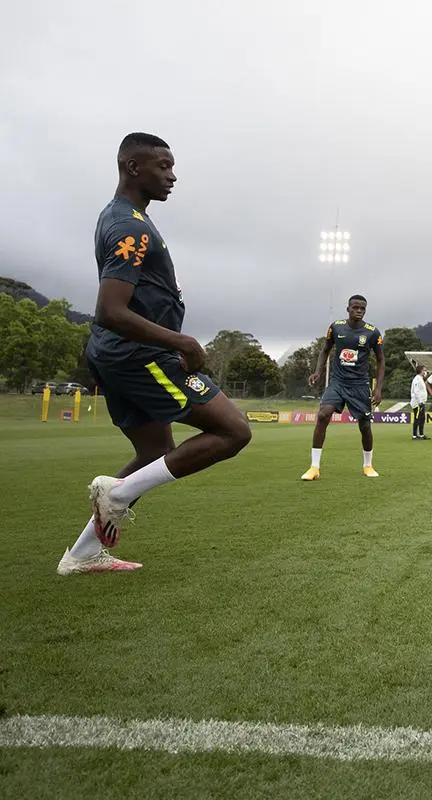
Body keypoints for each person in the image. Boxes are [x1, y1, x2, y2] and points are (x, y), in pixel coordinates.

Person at [62, 132, 252, 575]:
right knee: (234, 431)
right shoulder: (130, 226)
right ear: (133, 167)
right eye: (163, 167)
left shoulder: (121, 217)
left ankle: (82, 555)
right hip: (140, 355)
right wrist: (179, 340)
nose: (172, 176)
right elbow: (110, 310)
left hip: (117, 356)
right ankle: (117, 495)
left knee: (154, 454)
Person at [301, 295, 385, 480]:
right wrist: (318, 372)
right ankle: (314, 467)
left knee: (364, 425)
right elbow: (325, 350)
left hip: (359, 385)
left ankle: (368, 465)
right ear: (348, 309)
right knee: (323, 415)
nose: (359, 311)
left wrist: (378, 389)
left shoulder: (372, 332)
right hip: (338, 382)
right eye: (355, 307)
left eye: (362, 308)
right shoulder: (336, 327)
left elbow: (380, 361)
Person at [410, 364, 429, 440]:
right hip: (418, 403)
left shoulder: (421, 379)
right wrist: (420, 402)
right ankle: (414, 435)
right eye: (424, 370)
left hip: (421, 402)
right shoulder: (417, 379)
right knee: (417, 418)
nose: (425, 372)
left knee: (422, 418)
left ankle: (421, 434)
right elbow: (416, 391)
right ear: (421, 371)